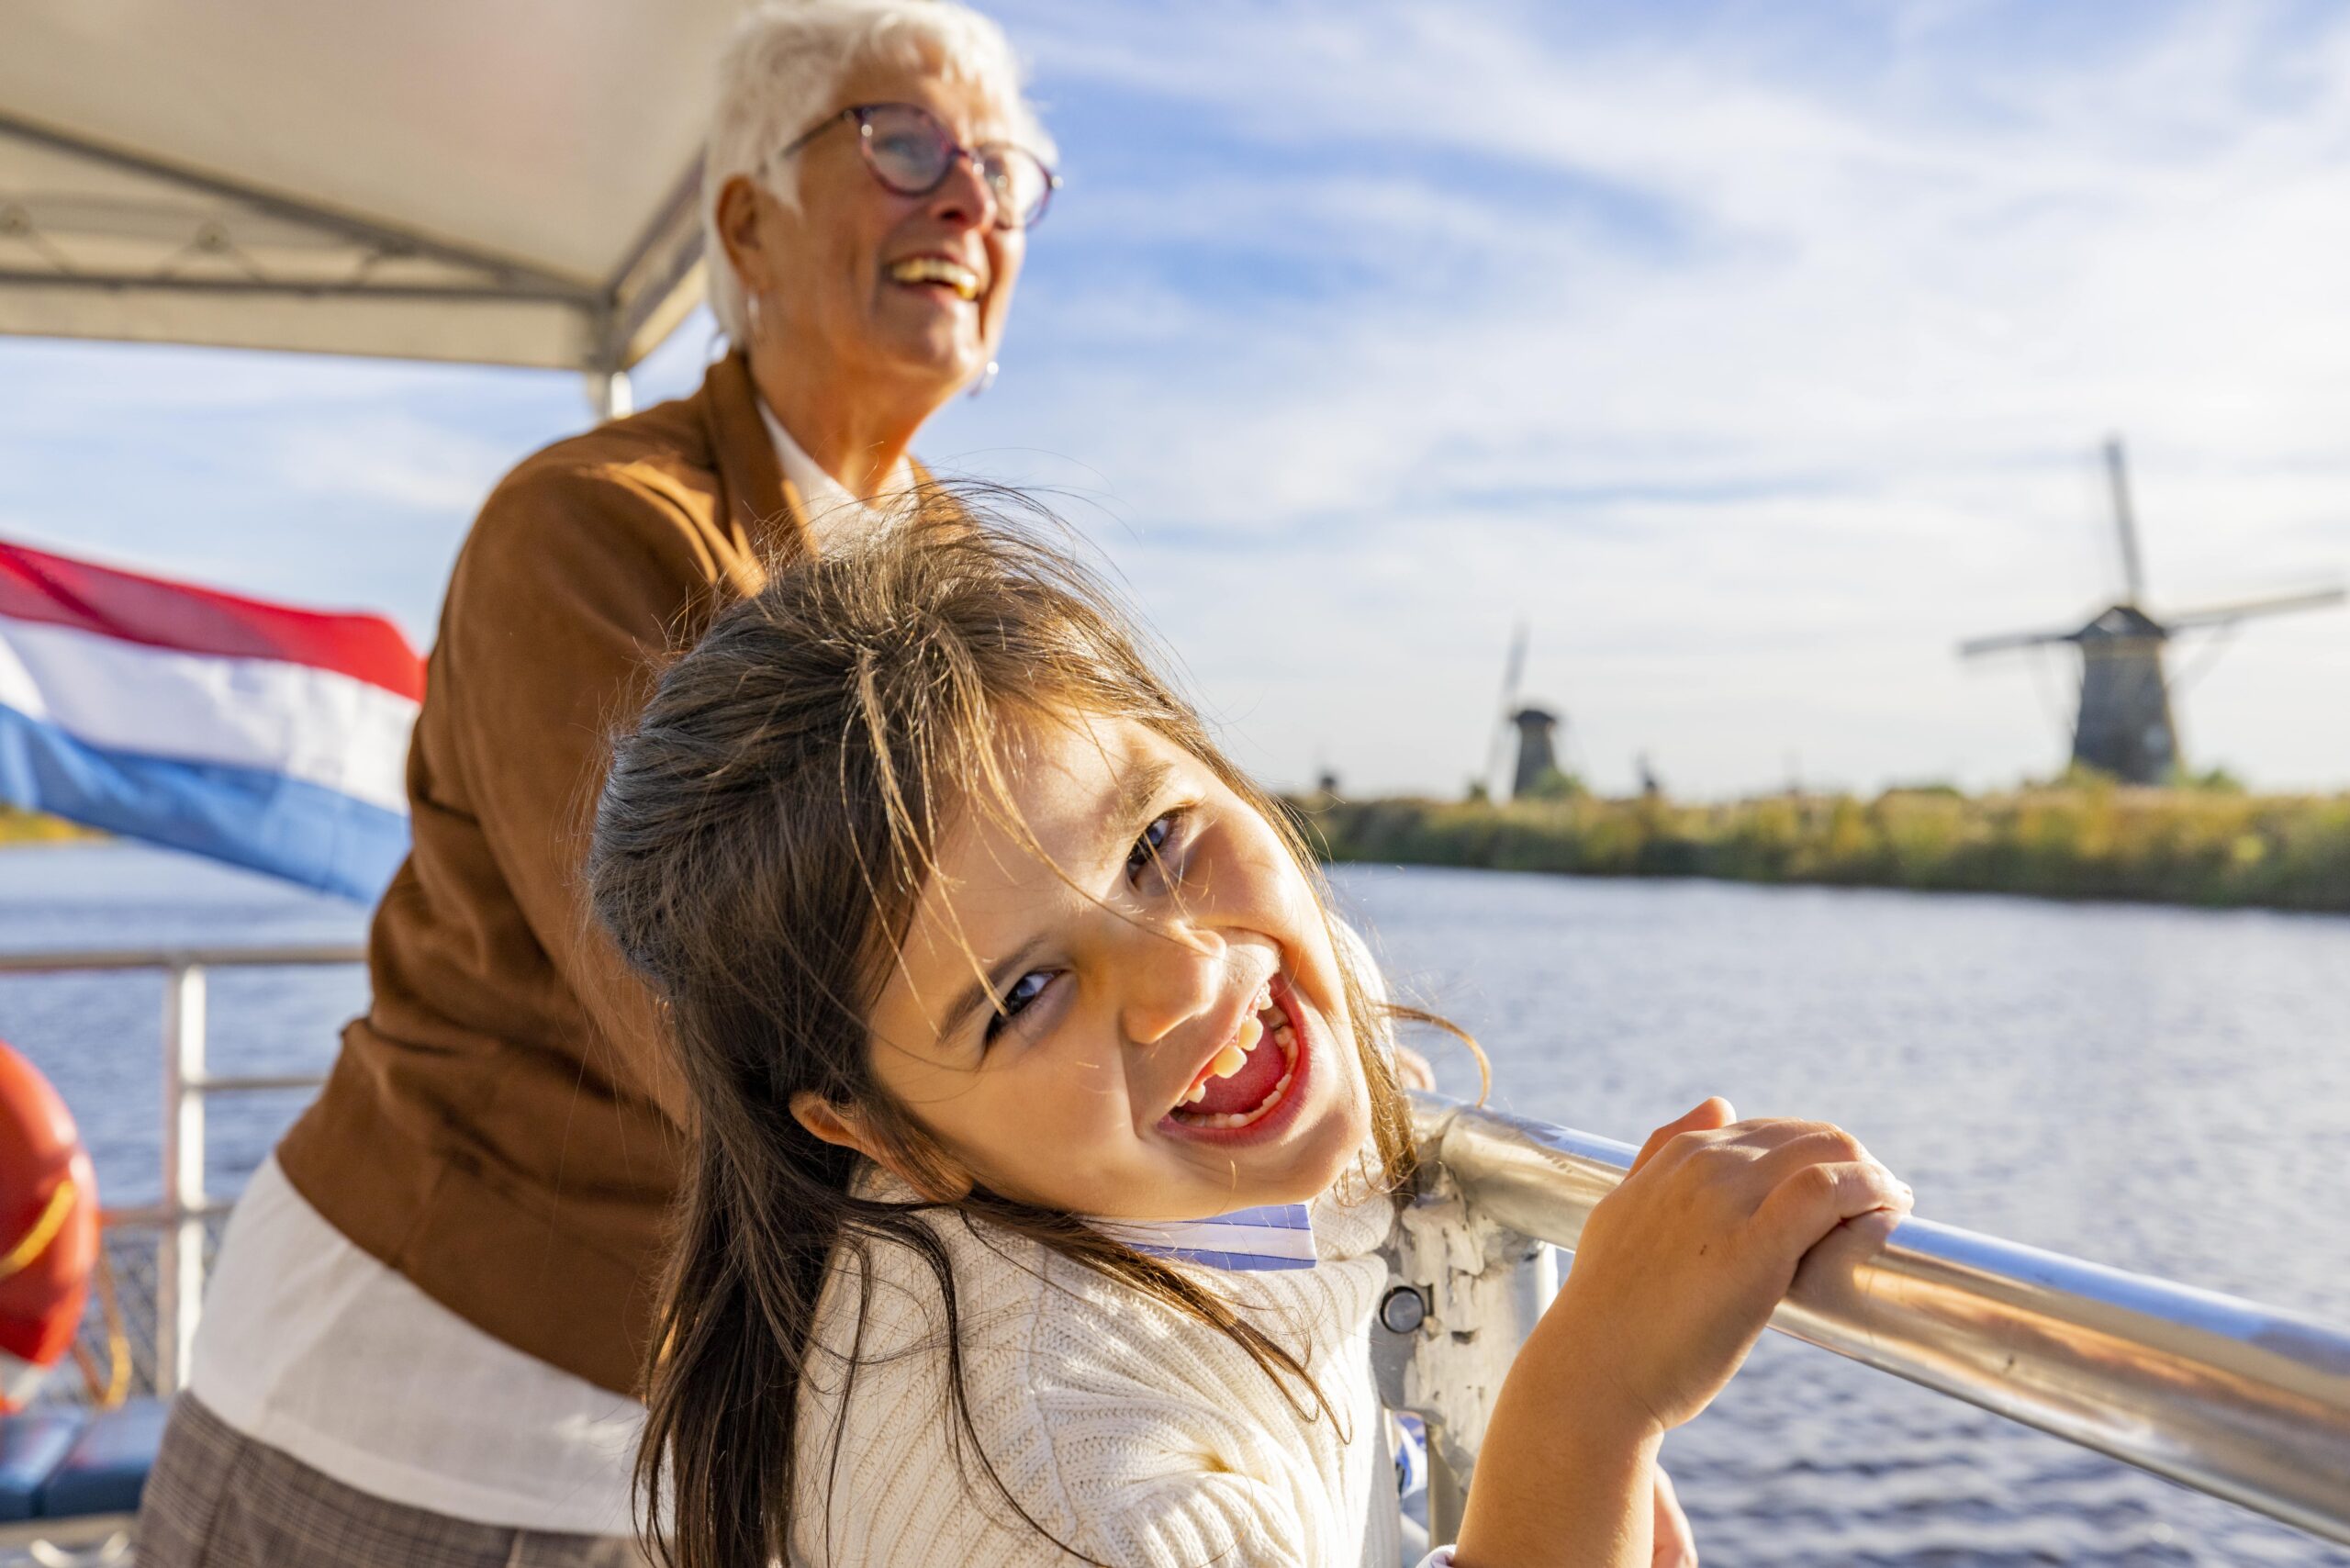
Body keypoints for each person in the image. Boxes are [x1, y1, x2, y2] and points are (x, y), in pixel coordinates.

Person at [135, 4, 1061, 1564]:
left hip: (708, 1429)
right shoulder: (585, 534)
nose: (967, 199)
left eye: (1002, 168)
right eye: (903, 145)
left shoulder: (976, 580)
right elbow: (705, 1017)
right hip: (415, 1401)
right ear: (746, 225)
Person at [587, 509, 1914, 1567]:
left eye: (1160, 838)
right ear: (873, 1129)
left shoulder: (1234, 1010)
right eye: (1023, 997)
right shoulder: (1082, 1510)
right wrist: (1586, 1416)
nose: (1188, 975)